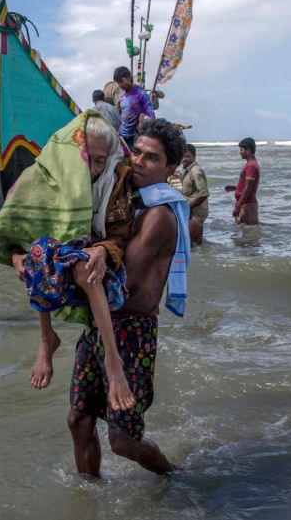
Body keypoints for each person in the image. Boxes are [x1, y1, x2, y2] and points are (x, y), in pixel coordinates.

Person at [65, 118, 190, 477]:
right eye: (135, 151)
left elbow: (120, 282)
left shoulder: (159, 216)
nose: (137, 161)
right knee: (78, 419)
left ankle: (175, 477)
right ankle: (89, 497)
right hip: (100, 323)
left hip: (131, 333)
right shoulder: (122, 201)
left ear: (171, 168)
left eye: (152, 158)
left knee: (123, 440)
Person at [0, 111, 136, 411]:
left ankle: (113, 360)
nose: (95, 168)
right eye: (88, 158)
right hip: (57, 258)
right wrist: (15, 255)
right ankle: (46, 339)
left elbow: (121, 232)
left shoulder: (116, 178)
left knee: (84, 269)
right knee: (36, 253)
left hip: (95, 263)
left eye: (100, 160)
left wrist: (102, 250)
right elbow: (14, 227)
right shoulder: (43, 175)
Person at [114, 66, 155, 150]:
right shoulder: (122, 96)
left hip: (135, 138)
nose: (120, 85)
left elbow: (151, 116)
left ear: (129, 77)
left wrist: (142, 125)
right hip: (122, 137)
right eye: (118, 82)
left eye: (121, 81)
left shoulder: (141, 94)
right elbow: (122, 116)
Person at [223, 137, 260, 225]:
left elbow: (248, 188)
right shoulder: (249, 164)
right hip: (245, 204)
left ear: (248, 150)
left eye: (241, 150)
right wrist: (235, 188)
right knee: (242, 234)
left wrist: (238, 206)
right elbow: (247, 185)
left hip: (248, 204)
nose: (239, 152)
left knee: (249, 234)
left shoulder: (251, 166)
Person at [180, 144, 209, 245]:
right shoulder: (187, 170)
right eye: (183, 156)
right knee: (197, 245)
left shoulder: (196, 171)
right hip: (192, 212)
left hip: (196, 213)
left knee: (192, 245)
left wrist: (187, 207)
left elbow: (204, 194)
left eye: (187, 156)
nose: (184, 159)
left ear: (194, 157)